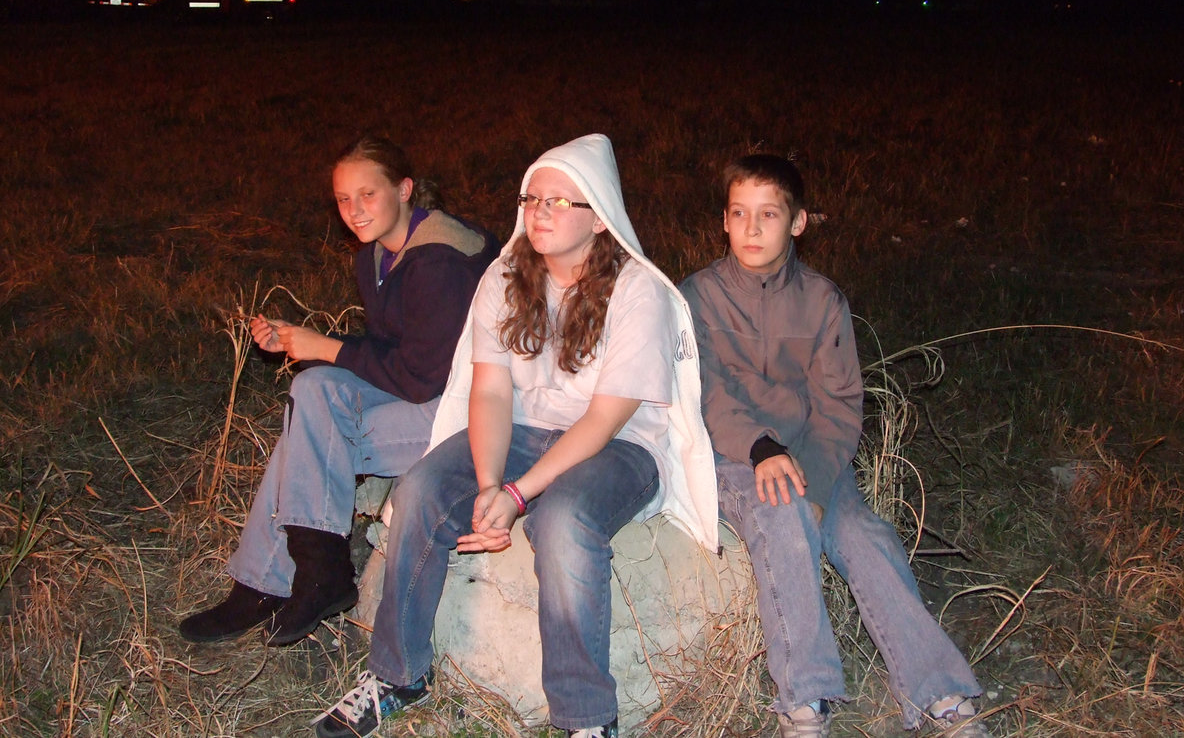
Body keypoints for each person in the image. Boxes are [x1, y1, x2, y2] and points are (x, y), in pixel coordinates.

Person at [313, 133, 719, 738]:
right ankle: (399, 674)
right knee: (422, 490)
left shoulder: (638, 293)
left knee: (564, 521)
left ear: (600, 216)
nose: (539, 212)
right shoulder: (506, 276)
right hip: (528, 429)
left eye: (559, 201)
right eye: (532, 198)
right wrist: (485, 482)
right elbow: (493, 391)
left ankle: (587, 718)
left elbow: (605, 418)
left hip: (621, 444)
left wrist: (519, 493)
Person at [678, 154, 992, 738]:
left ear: (797, 223)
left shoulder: (822, 301)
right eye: (739, 213)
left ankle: (939, 690)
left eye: (768, 214)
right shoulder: (696, 297)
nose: (751, 229)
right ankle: (806, 697)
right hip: (732, 458)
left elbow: (840, 404)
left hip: (808, 459)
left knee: (863, 535)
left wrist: (819, 483)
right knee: (781, 510)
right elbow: (705, 394)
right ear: (723, 220)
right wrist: (761, 447)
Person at [179, 137, 499, 647]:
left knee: (313, 431)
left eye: (367, 195)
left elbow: (422, 378)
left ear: (404, 189)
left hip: (470, 415)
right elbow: (386, 348)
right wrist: (299, 341)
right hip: (428, 391)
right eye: (343, 200)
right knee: (313, 388)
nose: (353, 211)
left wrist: (324, 346)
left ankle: (276, 581)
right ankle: (309, 572)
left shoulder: (440, 259)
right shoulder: (378, 254)